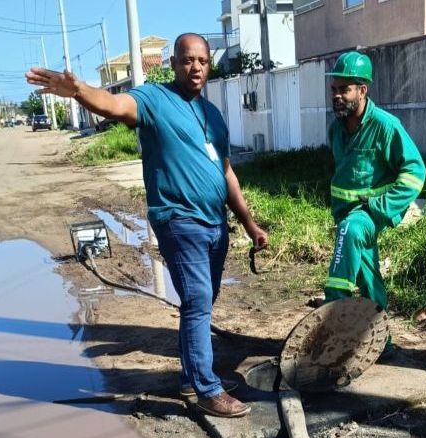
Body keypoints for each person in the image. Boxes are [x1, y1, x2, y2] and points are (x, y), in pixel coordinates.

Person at [26, 33, 268, 418]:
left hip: (215, 224)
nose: (195, 68)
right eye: (187, 60)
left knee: (200, 302)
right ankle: (206, 388)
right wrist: (80, 91)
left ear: (210, 65)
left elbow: (226, 173)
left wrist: (250, 224)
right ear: (173, 63)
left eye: (202, 61)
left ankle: (192, 377)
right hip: (178, 220)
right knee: (198, 300)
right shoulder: (155, 99)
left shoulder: (214, 116)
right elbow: (115, 105)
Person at [323, 51, 426, 318]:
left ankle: (333, 313)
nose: (336, 95)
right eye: (334, 89)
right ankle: (380, 337)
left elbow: (415, 172)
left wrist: (383, 206)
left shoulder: (386, 126)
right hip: (344, 211)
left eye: (345, 89)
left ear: (362, 90)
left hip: (369, 213)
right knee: (367, 272)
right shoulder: (336, 129)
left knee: (352, 230)